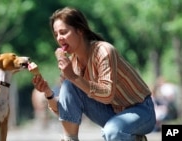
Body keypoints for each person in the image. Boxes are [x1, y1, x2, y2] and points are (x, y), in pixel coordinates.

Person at [32, 7, 156, 141]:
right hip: (113, 113)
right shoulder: (72, 64)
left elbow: (107, 94)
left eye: (63, 32)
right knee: (69, 85)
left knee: (112, 131)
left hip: (141, 111)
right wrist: (48, 93)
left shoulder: (104, 51)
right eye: (56, 34)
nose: (59, 38)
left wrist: (73, 76)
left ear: (80, 30)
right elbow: (66, 112)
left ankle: (129, 136)